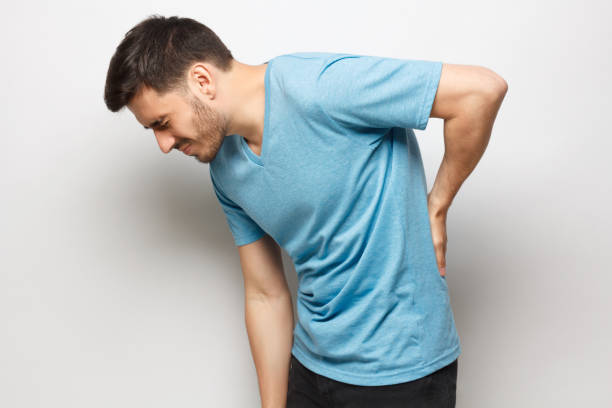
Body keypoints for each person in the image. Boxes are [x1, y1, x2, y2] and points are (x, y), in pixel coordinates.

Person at [104, 14, 507, 408]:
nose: (163, 143)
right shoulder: (224, 166)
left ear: (202, 81)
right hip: (310, 370)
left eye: (162, 122)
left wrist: (437, 206)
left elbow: (481, 91)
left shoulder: (323, 87)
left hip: (401, 373)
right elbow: (266, 294)